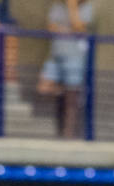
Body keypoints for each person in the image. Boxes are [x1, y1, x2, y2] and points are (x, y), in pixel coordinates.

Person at [36, 0, 92, 138]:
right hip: (56, 55)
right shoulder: (57, 6)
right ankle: (61, 90)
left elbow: (79, 27)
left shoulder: (87, 8)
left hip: (75, 57)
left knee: (72, 100)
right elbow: (52, 27)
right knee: (43, 88)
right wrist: (69, 31)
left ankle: (69, 136)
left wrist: (72, 7)